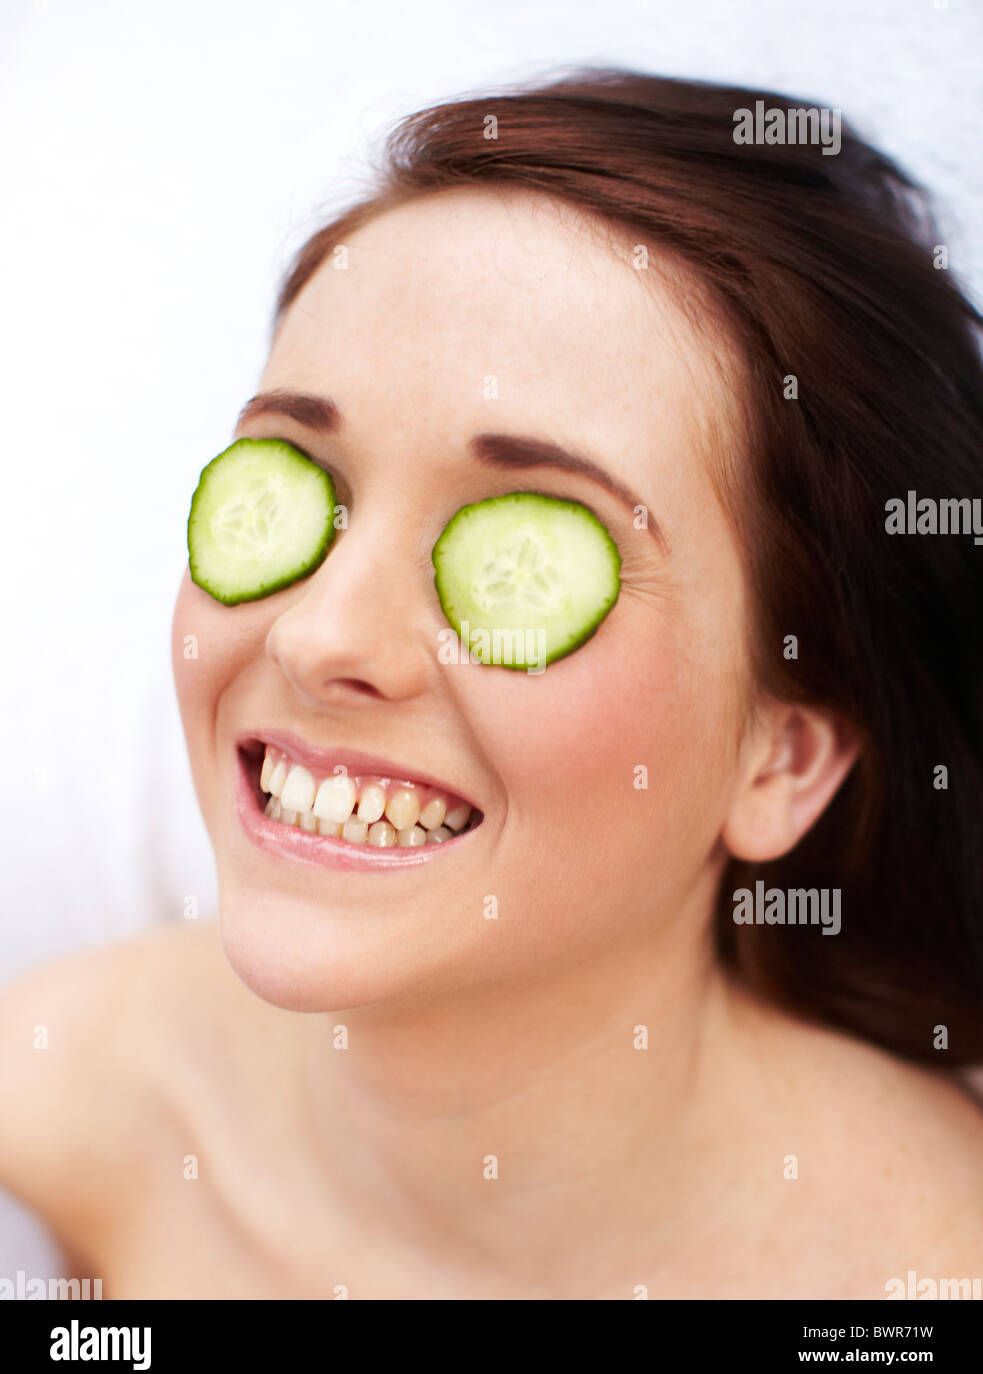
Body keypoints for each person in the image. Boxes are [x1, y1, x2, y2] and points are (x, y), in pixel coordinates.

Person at [3, 68, 982, 1300]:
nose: (317, 640)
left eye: (527, 545)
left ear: (780, 758)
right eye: (300, 486)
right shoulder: (57, 1111)